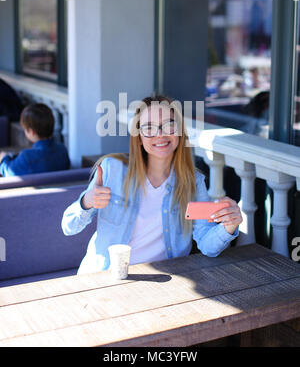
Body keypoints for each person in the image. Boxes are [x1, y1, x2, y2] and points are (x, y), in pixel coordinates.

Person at [62, 95, 242, 274]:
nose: (160, 134)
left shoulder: (192, 181)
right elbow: (68, 227)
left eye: (169, 124)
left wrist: (229, 226)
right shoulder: (112, 169)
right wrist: (87, 201)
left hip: (162, 282)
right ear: (139, 137)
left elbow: (207, 245)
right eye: (149, 128)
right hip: (105, 277)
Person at [0, 103, 70, 177]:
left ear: (31, 131)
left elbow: (9, 172)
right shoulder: (62, 150)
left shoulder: (27, 157)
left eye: (25, 129)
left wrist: (4, 159)